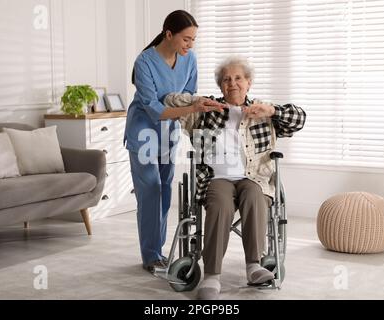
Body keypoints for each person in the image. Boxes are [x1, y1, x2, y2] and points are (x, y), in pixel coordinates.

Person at [164, 56, 306, 299]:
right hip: (216, 178)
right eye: (227, 79)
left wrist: (271, 110)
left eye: (238, 78)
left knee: (254, 195)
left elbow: (299, 118)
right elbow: (169, 99)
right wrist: (198, 103)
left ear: (248, 83)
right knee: (219, 204)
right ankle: (211, 277)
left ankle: (254, 266)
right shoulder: (206, 111)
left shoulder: (262, 110)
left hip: (254, 178)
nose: (233, 83)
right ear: (221, 86)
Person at [124, 10, 226, 274]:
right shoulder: (144, 62)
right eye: (186, 39)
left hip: (168, 132)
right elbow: (154, 109)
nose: (190, 45)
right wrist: (192, 108)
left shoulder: (189, 59)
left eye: (193, 40)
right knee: (151, 192)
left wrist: (200, 105)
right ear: (168, 34)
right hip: (144, 132)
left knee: (166, 192)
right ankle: (151, 255)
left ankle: (157, 251)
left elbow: (189, 95)